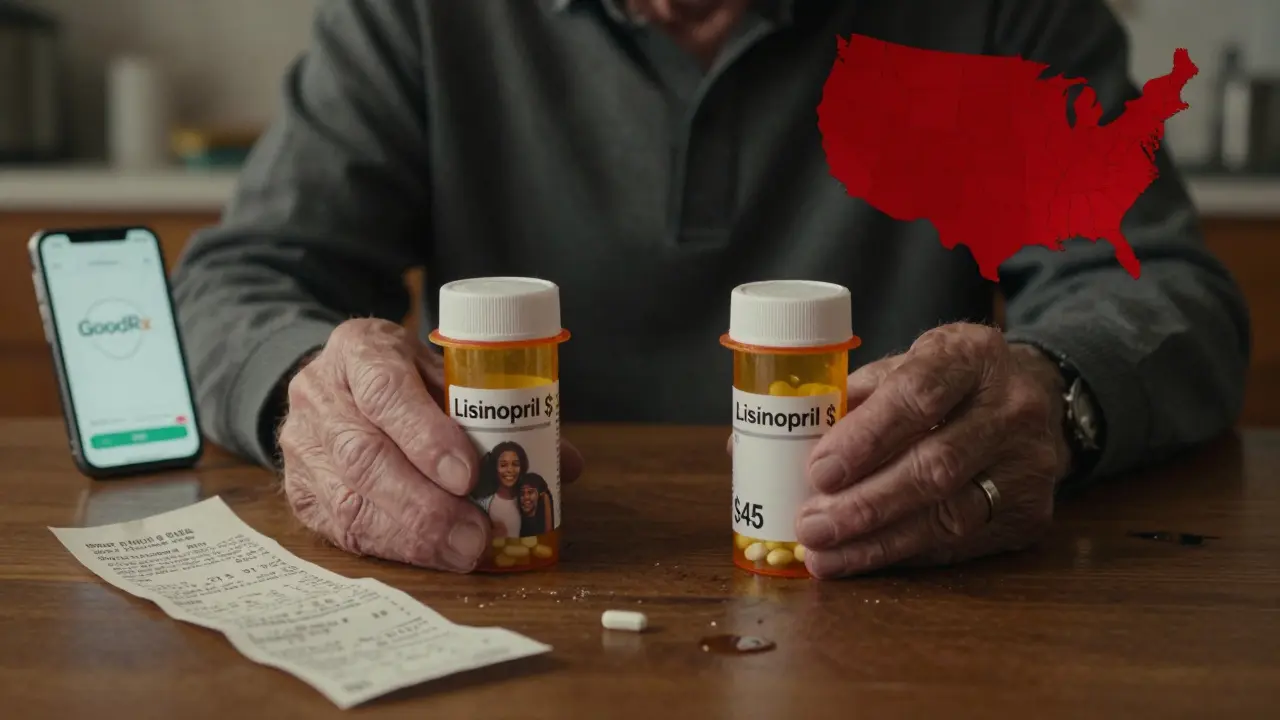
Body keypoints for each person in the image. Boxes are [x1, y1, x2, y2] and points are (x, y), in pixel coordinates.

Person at [171, 0, 1250, 578]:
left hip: (897, 607)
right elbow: (239, 282)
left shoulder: (1003, 13)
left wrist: (1051, 393)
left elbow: (1168, 294)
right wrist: (309, 391)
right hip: (513, 599)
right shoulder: (413, 16)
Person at [473, 442, 531, 538]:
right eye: (503, 465)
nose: (510, 470)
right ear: (495, 467)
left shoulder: (526, 499)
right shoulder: (485, 503)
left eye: (515, 464)